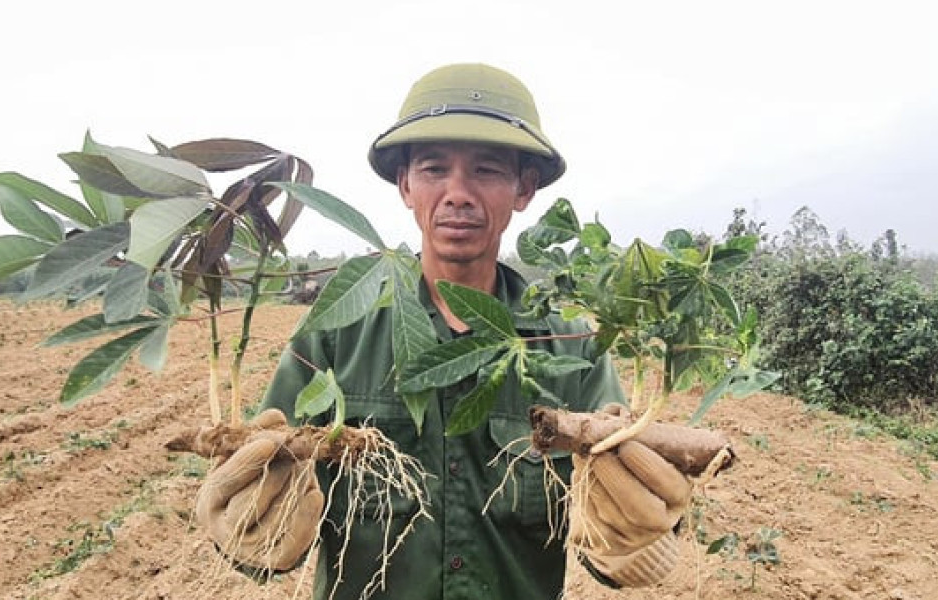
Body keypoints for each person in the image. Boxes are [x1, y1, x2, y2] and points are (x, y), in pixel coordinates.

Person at [199, 63, 692, 599]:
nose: (458, 193)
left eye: (486, 171)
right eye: (434, 170)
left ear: (523, 188)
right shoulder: (336, 332)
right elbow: (266, 519)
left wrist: (637, 538)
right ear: (405, 184)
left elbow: (611, 545)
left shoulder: (571, 348)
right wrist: (246, 525)